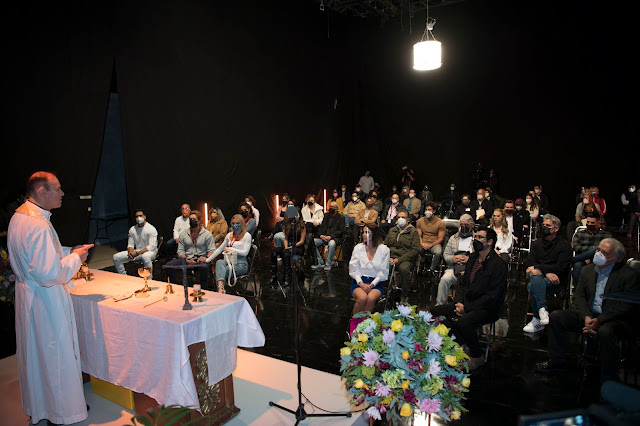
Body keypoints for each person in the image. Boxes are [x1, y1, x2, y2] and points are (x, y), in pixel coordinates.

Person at [8, 171, 93, 425]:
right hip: (45, 299)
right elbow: (49, 273)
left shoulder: (20, 217)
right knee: (55, 355)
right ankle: (62, 412)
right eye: (57, 189)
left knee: (37, 357)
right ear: (41, 191)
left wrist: (70, 251)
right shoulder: (37, 224)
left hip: (29, 296)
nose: (63, 193)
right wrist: (76, 259)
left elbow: (39, 257)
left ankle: (42, 407)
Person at [536, 238, 640, 382]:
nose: (598, 253)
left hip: (613, 319)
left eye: (604, 252)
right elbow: (579, 296)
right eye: (598, 249)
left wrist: (600, 320)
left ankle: (609, 376)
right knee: (556, 317)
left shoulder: (629, 275)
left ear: (615, 258)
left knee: (606, 331)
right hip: (590, 315)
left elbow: (625, 305)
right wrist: (586, 316)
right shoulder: (587, 270)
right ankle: (556, 361)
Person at [430, 227, 508, 370]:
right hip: (467, 302)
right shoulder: (472, 258)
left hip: (488, 307)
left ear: (490, 242)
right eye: (475, 237)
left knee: (465, 322)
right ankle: (463, 343)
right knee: (435, 312)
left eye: (480, 237)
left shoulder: (498, 265)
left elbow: (493, 296)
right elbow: (463, 283)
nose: (475, 240)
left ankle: (477, 355)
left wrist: (467, 308)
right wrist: (459, 302)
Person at [523, 214, 572, 333]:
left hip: (556, 280)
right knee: (535, 275)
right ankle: (542, 311)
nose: (544, 227)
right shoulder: (536, 244)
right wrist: (545, 272)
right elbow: (529, 263)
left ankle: (536, 318)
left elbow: (561, 267)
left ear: (556, 228)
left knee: (531, 285)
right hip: (540, 277)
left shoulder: (564, 245)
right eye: (543, 225)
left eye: (548, 226)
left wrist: (541, 270)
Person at [164, 210, 215, 289]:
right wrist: (187, 260)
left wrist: (206, 258)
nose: (192, 221)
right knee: (168, 266)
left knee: (204, 267)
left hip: (201, 259)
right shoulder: (183, 234)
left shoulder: (207, 235)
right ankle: (175, 287)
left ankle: (204, 290)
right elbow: (180, 251)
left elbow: (212, 251)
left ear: (199, 221)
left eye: (194, 219)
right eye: (190, 219)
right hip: (187, 259)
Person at [206, 214, 253, 293]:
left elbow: (245, 253)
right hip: (228, 260)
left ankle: (220, 289)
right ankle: (221, 289)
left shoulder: (247, 235)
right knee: (219, 262)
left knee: (220, 271)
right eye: (233, 223)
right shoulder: (229, 235)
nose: (235, 225)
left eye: (237, 223)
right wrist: (208, 260)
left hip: (240, 263)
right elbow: (220, 249)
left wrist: (231, 249)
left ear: (242, 224)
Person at [350, 226, 390, 315]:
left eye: (367, 232)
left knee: (371, 298)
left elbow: (383, 271)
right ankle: (354, 321)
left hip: (375, 282)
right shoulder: (358, 248)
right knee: (362, 298)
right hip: (359, 281)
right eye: (363, 232)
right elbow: (353, 268)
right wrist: (361, 283)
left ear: (374, 234)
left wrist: (372, 284)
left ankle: (365, 322)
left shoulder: (384, 250)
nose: (364, 235)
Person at [436, 214, 475, 305]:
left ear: (472, 225)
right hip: (454, 268)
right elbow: (446, 254)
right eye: (462, 225)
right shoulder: (453, 238)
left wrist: (469, 259)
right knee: (444, 279)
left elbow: (480, 256)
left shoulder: (476, 238)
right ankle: (439, 305)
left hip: (471, 269)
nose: (463, 227)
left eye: (466, 225)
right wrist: (453, 259)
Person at [384, 210, 421, 304]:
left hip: (405, 258)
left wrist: (399, 259)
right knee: (381, 265)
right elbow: (385, 245)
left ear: (408, 220)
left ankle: (404, 295)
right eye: (399, 217)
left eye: (403, 217)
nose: (400, 219)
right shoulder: (392, 230)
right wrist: (388, 257)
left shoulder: (413, 232)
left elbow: (415, 250)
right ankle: (383, 291)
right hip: (391, 256)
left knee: (404, 269)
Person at [112, 209, 158, 275]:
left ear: (144, 217)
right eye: (136, 216)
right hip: (137, 252)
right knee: (116, 257)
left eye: (140, 216)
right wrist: (130, 252)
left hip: (150, 253)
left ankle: (149, 278)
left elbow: (152, 246)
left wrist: (137, 253)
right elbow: (130, 244)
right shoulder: (132, 229)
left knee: (145, 256)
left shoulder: (151, 229)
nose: (138, 218)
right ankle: (123, 276)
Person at [571, 212, 611, 286]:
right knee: (577, 265)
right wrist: (587, 255)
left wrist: (592, 252)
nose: (589, 224)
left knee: (598, 248)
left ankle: (573, 260)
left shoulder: (605, 235)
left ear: (598, 222)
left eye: (592, 223)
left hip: (598, 258)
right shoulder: (579, 233)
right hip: (582, 259)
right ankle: (578, 289)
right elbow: (576, 247)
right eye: (588, 222)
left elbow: (606, 249)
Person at [313, 200, 345, 272]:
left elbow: (341, 230)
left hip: (335, 238)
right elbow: (322, 227)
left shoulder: (341, 217)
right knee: (313, 242)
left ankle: (328, 263)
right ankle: (320, 262)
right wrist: (321, 235)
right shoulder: (326, 215)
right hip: (324, 237)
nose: (331, 208)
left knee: (331, 243)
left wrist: (331, 236)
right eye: (330, 206)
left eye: (333, 207)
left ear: (336, 208)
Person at [415, 201, 446, 273]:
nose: (427, 211)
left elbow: (441, 238)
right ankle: (422, 263)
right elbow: (418, 235)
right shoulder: (420, 221)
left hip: (434, 242)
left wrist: (431, 245)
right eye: (426, 209)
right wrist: (422, 243)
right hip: (423, 241)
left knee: (438, 252)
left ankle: (431, 269)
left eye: (429, 210)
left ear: (434, 211)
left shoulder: (440, 222)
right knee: (416, 249)